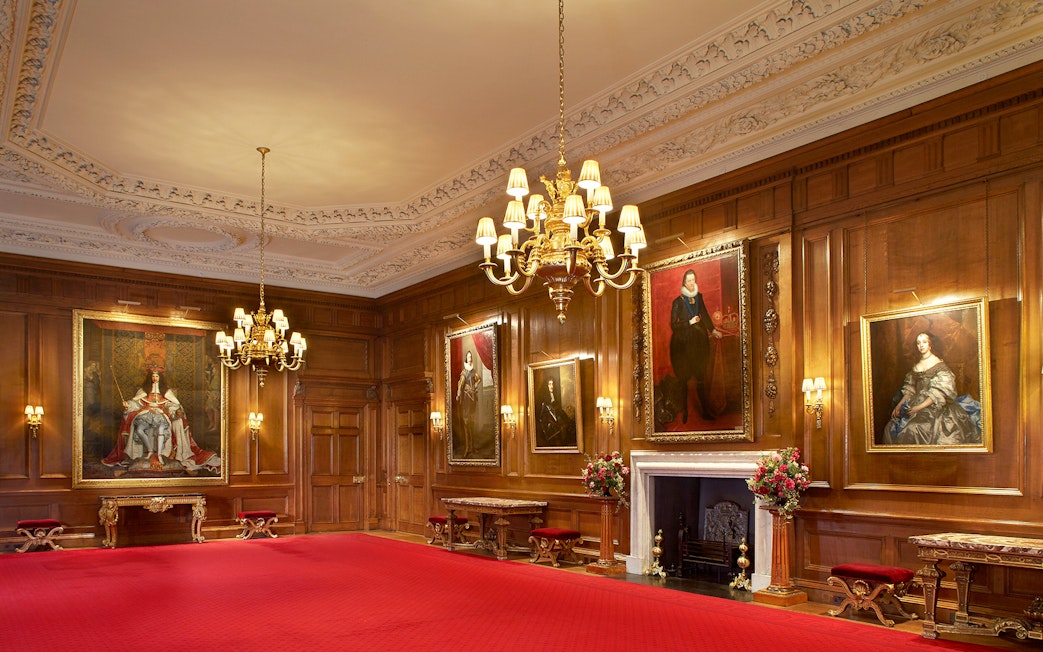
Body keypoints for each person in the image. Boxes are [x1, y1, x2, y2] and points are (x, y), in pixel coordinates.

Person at [102, 366, 221, 473]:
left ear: (160, 378)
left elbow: (176, 405)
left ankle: (159, 454)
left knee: (161, 429)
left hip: (161, 414)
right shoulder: (144, 390)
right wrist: (128, 405)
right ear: (150, 377)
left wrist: (171, 410)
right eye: (153, 376)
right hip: (145, 414)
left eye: (157, 376)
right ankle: (149, 451)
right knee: (139, 429)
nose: (155, 378)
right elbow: (135, 403)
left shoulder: (166, 391)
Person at [883, 332, 979, 446]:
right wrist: (899, 406)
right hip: (915, 403)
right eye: (918, 343)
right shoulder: (916, 365)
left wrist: (918, 408)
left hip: (934, 407)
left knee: (914, 429)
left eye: (924, 342)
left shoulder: (939, 365)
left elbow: (938, 393)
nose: (921, 345)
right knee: (890, 426)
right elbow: (910, 390)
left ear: (930, 344)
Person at [669, 269, 723, 423]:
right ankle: (685, 412)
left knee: (700, 378)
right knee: (683, 380)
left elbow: (704, 314)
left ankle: (705, 411)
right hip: (682, 346)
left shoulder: (699, 297)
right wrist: (689, 322)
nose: (691, 283)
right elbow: (673, 325)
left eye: (693, 280)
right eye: (689, 281)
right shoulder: (678, 302)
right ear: (684, 283)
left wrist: (712, 330)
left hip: (698, 344)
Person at [536, 377, 576, 447]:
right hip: (550, 423)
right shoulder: (544, 399)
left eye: (552, 384)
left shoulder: (555, 396)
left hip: (556, 417)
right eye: (549, 384)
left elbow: (558, 409)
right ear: (546, 385)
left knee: (567, 424)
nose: (551, 386)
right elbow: (542, 416)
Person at [455, 350, 481, 456]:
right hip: (466, 399)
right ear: (466, 359)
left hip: (473, 399)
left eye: (471, 357)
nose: (469, 358)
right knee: (466, 423)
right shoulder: (464, 372)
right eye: (468, 357)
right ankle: (467, 448)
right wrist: (458, 395)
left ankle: (473, 446)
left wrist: (475, 386)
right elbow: (460, 385)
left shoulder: (474, 371)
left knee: (472, 422)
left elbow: (478, 379)